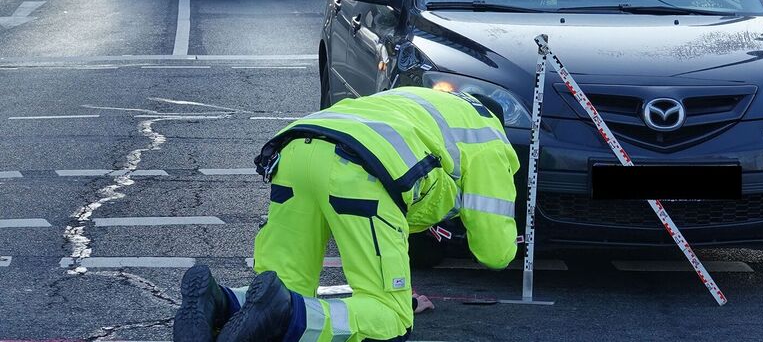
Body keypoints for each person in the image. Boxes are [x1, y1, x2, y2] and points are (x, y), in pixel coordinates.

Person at [173, 87, 520, 341]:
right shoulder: (490, 140)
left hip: (296, 151)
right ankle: (287, 318)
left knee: (285, 284)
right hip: (361, 173)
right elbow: (493, 252)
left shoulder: (424, 101)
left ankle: (217, 300)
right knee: (390, 318)